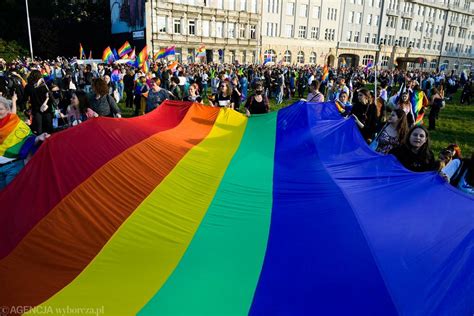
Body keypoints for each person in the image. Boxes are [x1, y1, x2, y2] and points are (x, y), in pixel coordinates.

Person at [0, 94, 49, 189]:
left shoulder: (16, 123)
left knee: (13, 198)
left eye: (0, 109)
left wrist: (38, 138)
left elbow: (28, 139)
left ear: (7, 110)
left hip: (14, 167)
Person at [23, 70, 54, 135]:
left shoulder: (28, 86)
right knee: (48, 128)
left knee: (39, 129)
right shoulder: (44, 85)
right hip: (46, 109)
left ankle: (40, 141)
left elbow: (25, 98)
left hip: (36, 108)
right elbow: (51, 97)